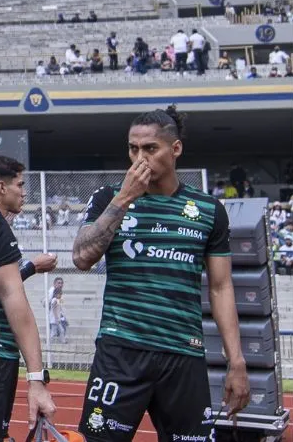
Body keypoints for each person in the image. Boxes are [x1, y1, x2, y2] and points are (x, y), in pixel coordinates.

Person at [71, 105, 250, 441]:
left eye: (150, 148)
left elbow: (221, 288)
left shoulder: (209, 210)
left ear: (175, 148)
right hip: (121, 352)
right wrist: (125, 198)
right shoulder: (108, 197)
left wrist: (236, 361)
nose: (140, 159)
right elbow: (81, 258)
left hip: (183, 355)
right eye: (133, 149)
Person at [0, 155, 58, 441]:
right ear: (0, 187)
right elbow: (2, 289)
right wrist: (32, 267)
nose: (24, 192)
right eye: (19, 185)